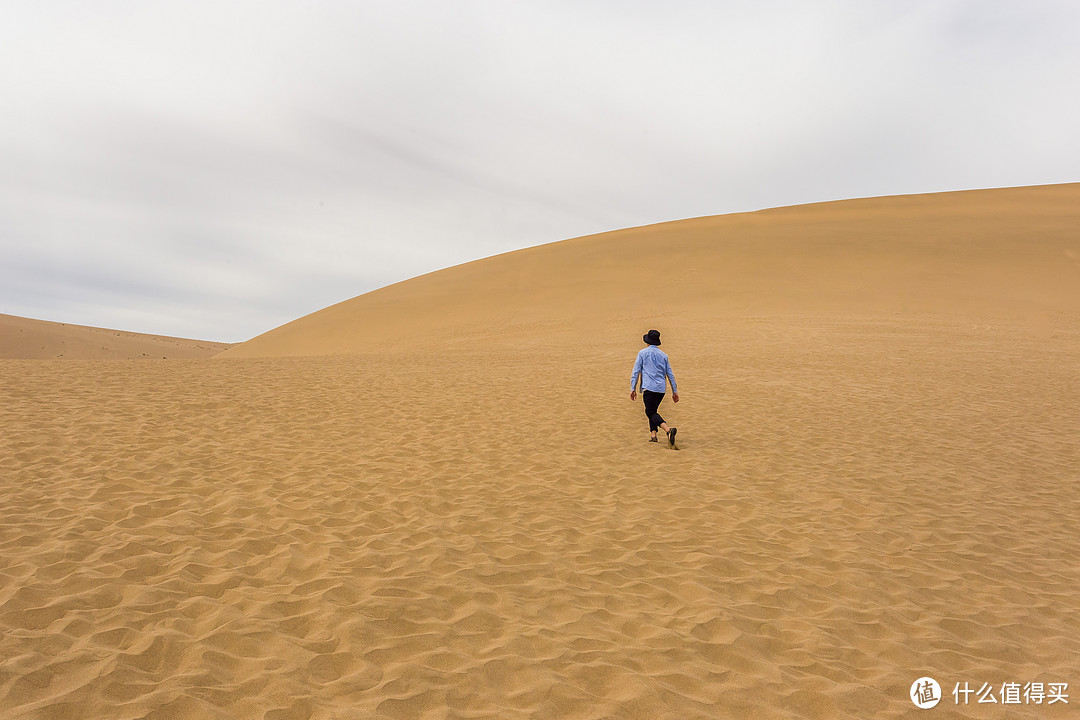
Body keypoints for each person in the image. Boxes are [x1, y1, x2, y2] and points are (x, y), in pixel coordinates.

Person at [630, 329, 679, 446]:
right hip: (661, 389)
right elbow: (670, 374)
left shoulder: (642, 353)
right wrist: (674, 391)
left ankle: (668, 430)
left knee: (650, 411)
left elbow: (636, 371)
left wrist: (633, 388)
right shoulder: (664, 355)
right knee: (652, 411)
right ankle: (653, 435)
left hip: (649, 388)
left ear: (647, 342)